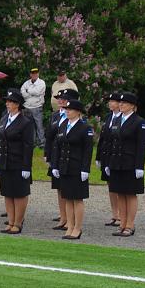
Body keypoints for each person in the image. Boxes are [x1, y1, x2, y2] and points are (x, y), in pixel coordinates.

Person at [104, 92, 145, 237]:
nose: (121, 104)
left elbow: (141, 146)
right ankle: (122, 223)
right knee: (120, 193)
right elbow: (111, 142)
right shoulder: (117, 120)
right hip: (116, 162)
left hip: (130, 163)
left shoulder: (139, 122)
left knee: (130, 194)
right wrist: (108, 162)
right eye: (120, 102)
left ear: (132, 106)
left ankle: (130, 225)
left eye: (124, 103)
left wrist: (139, 166)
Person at [50, 99, 93, 239]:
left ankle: (77, 228)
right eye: (66, 109)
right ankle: (70, 225)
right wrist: (55, 165)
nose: (67, 111)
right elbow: (57, 146)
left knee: (77, 199)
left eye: (70, 109)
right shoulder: (63, 125)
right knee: (67, 198)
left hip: (77, 167)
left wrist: (85, 169)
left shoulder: (84, 128)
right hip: (64, 166)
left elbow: (88, 150)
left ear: (78, 112)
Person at [0, 89, 34, 235]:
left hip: (18, 162)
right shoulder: (4, 119)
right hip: (4, 162)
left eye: (11, 102)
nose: (7, 104)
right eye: (7, 101)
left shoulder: (25, 122)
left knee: (19, 193)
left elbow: (28, 146)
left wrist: (26, 166)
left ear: (17, 104)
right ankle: (10, 222)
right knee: (7, 193)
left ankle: (18, 223)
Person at [45, 88, 77, 230]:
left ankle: (70, 218)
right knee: (58, 187)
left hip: (68, 156)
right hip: (55, 154)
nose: (60, 101)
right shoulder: (55, 115)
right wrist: (47, 154)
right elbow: (49, 136)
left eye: (64, 99)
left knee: (68, 188)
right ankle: (63, 216)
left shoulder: (75, 117)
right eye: (59, 99)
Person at [96, 92, 123, 227]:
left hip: (116, 156)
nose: (110, 103)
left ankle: (121, 215)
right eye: (109, 101)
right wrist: (98, 157)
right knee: (110, 186)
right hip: (106, 155)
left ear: (119, 103)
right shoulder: (108, 117)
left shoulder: (123, 118)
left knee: (118, 186)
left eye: (113, 101)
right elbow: (102, 138)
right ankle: (115, 214)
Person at [20, 68, 46, 147]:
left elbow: (37, 92)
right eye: (33, 73)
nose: (34, 74)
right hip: (26, 107)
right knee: (29, 126)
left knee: (39, 126)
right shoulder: (26, 83)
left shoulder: (41, 82)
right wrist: (29, 93)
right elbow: (22, 92)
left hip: (37, 107)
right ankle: (32, 142)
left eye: (36, 73)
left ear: (38, 74)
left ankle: (42, 143)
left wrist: (28, 91)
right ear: (30, 74)